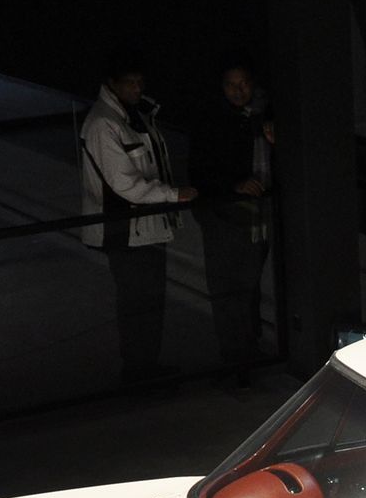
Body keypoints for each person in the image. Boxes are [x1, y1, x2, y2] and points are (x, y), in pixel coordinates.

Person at [79, 50, 196, 383]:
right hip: (126, 231)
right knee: (138, 303)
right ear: (112, 84)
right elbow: (125, 185)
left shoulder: (128, 117)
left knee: (147, 302)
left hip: (142, 229)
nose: (136, 88)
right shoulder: (105, 123)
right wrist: (173, 194)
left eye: (139, 82)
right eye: (129, 82)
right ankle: (139, 372)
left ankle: (145, 368)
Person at [191, 62, 273, 387]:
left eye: (244, 84)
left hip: (257, 213)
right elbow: (200, 172)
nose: (239, 92)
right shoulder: (213, 120)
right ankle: (236, 358)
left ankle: (247, 347)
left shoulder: (262, 115)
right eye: (231, 85)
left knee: (248, 285)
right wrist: (234, 186)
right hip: (224, 214)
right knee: (229, 288)